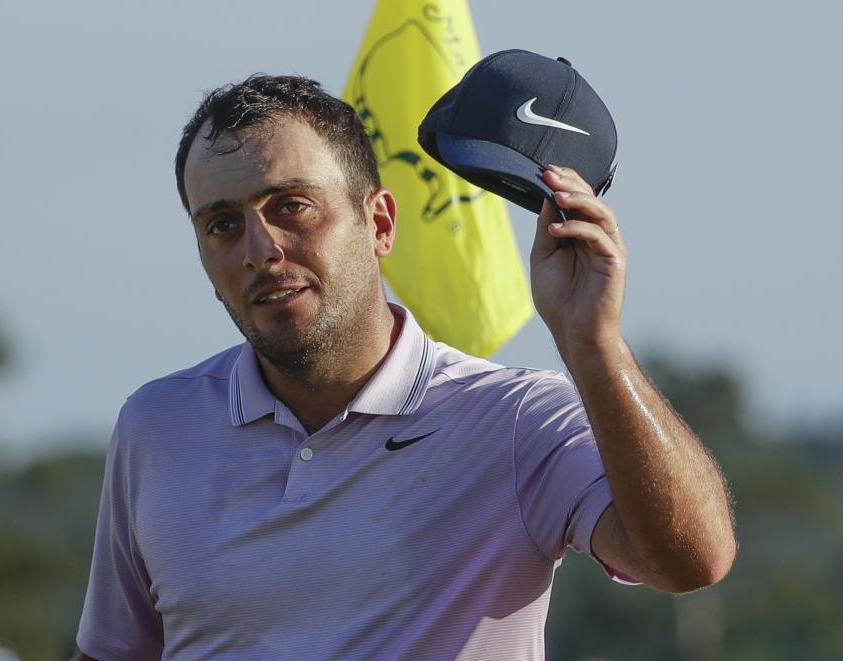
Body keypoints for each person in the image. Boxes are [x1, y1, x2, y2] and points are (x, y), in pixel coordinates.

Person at [74, 75, 736, 660]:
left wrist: (595, 346)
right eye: (221, 225)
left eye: (291, 206)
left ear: (380, 222)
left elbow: (691, 559)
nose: (259, 248)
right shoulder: (156, 424)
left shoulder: (517, 419)